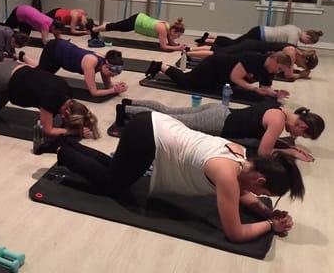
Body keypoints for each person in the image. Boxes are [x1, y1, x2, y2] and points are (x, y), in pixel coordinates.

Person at [58, 111, 304, 243]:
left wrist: (267, 213)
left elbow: (243, 194)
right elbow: (235, 233)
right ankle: (64, 151)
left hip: (153, 124)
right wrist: (271, 226)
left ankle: (70, 146)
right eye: (264, 193)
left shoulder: (243, 158)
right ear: (260, 180)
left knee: (116, 171)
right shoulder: (227, 174)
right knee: (113, 186)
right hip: (147, 136)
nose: (258, 196)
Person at [116, 99, 324, 161]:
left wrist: (289, 146)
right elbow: (263, 152)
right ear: (303, 125)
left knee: (171, 110)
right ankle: (127, 112)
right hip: (217, 122)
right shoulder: (278, 121)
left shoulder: (282, 110)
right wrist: (290, 152)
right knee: (167, 119)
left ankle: (128, 104)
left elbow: (264, 139)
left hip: (220, 110)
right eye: (303, 134)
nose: (298, 137)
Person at [145, 51, 292, 99]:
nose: (277, 72)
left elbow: (265, 89)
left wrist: (276, 94)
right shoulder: (254, 59)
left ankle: (161, 67)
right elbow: (236, 77)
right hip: (213, 66)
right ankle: (160, 66)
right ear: (274, 59)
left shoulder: (268, 71)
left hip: (220, 77)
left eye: (280, 71)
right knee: (187, 83)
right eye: (279, 68)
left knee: (201, 86)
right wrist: (253, 89)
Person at [23, 39, 127, 98]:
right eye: (111, 72)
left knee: (42, 72)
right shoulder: (91, 62)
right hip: (54, 50)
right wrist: (114, 90)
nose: (112, 75)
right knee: (39, 78)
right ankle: (21, 61)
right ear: (106, 65)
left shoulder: (104, 64)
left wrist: (117, 87)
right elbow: (94, 93)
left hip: (62, 55)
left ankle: (23, 57)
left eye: (114, 75)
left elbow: (108, 86)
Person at [187, 40, 318, 81]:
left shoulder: (293, 51)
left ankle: (189, 50)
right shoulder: (292, 53)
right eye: (303, 66)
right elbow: (288, 75)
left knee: (220, 51)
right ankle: (188, 52)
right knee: (218, 54)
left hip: (253, 48)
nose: (299, 67)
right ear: (304, 60)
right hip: (251, 48)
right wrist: (301, 75)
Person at [90, 14, 186, 51]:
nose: (178, 37)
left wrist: (178, 45)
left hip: (140, 18)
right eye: (178, 35)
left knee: (116, 26)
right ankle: (94, 29)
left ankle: (96, 29)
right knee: (115, 26)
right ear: (173, 30)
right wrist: (178, 48)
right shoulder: (163, 30)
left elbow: (171, 42)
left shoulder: (168, 28)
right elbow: (163, 46)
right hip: (136, 21)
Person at [195, 25, 323, 47]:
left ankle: (208, 37)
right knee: (234, 44)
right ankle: (207, 39)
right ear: (307, 36)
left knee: (234, 42)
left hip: (260, 31)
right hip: (259, 34)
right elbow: (291, 50)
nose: (305, 44)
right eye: (307, 42)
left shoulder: (296, 28)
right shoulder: (294, 35)